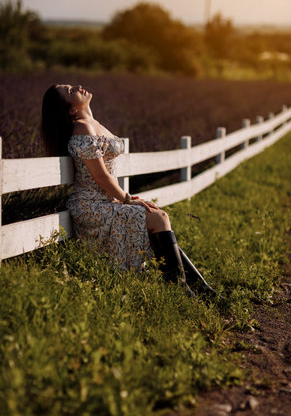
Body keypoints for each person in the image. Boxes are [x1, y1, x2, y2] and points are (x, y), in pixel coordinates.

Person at [41, 84, 218, 298]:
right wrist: (127, 199)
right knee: (159, 217)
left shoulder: (93, 124)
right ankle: (183, 291)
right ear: (71, 110)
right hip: (92, 207)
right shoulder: (82, 128)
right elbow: (101, 176)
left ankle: (200, 289)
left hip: (107, 202)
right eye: (70, 92)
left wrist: (125, 199)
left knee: (158, 217)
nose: (77, 86)